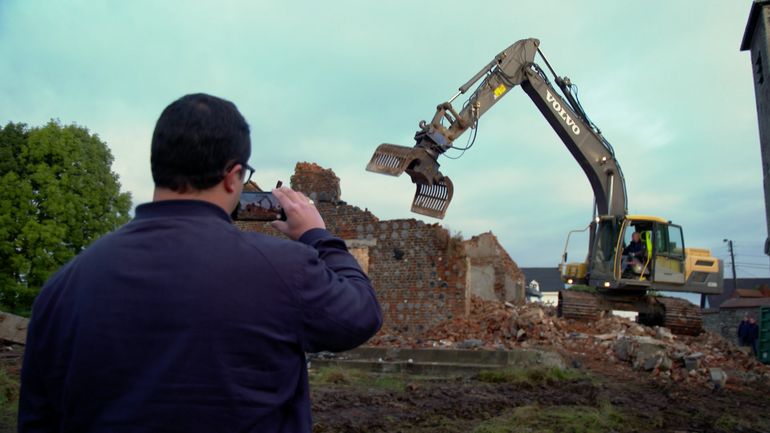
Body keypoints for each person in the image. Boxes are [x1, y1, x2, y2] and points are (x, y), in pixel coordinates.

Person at [18, 93, 383, 433]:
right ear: (231, 174)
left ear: (158, 165)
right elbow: (361, 314)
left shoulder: (62, 287)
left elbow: (37, 418)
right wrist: (318, 236)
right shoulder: (284, 270)